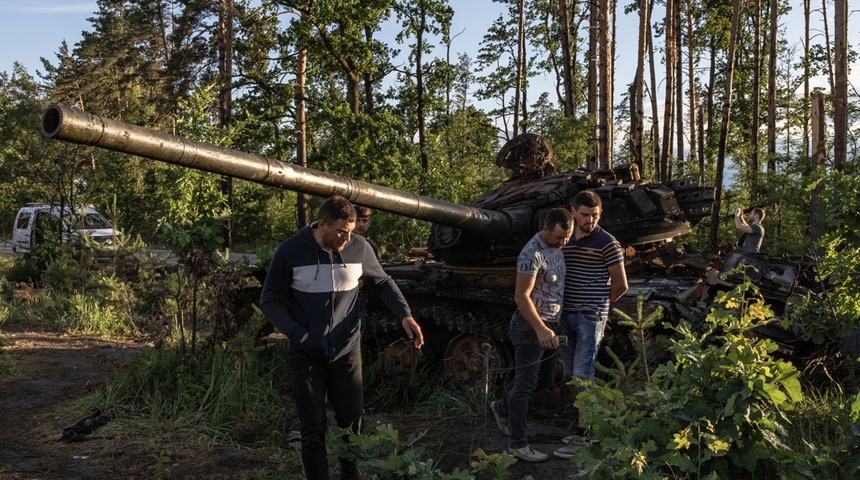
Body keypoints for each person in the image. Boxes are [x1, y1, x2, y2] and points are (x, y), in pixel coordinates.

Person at [259, 196, 424, 480]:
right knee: (313, 430)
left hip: (347, 352)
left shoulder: (360, 248)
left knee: (352, 427)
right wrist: (300, 334)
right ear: (321, 224)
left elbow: (382, 282)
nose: (348, 238)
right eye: (341, 231)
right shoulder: (290, 251)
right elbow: (270, 301)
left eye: (351, 230)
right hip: (307, 353)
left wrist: (404, 314)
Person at [489, 207, 574, 463]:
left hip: (551, 325)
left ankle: (502, 407)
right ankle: (518, 444)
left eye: (567, 237)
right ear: (546, 229)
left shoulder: (556, 248)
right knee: (524, 385)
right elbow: (521, 296)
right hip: (530, 328)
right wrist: (540, 329)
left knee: (544, 381)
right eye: (559, 237)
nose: (563, 242)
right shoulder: (531, 254)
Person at [554, 190, 628, 459]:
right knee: (572, 373)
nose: (589, 220)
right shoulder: (565, 240)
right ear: (573, 211)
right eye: (584, 215)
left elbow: (621, 284)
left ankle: (587, 437)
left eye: (594, 215)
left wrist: (599, 305)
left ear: (601, 213)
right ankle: (581, 426)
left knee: (584, 374)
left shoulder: (608, 243)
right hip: (565, 316)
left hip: (589, 317)